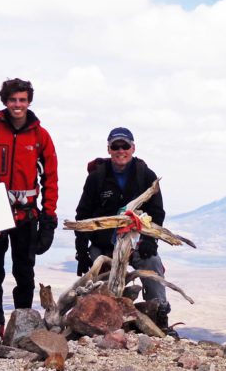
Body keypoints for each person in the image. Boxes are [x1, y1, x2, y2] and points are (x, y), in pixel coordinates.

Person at [74, 127, 173, 334]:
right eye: (115, 146)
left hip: (137, 243)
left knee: (152, 263)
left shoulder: (146, 176)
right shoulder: (97, 177)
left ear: (133, 148)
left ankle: (159, 315)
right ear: (109, 149)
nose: (121, 151)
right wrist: (81, 251)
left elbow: (157, 211)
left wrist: (149, 242)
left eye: (125, 146)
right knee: (96, 268)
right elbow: (82, 214)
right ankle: (96, 320)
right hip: (104, 245)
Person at [0, 78, 58, 337]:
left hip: (26, 214)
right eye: (13, 99)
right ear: (5, 101)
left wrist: (48, 217)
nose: (17, 104)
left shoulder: (40, 135)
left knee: (24, 272)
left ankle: (22, 326)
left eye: (22, 100)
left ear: (29, 101)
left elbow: (51, 177)